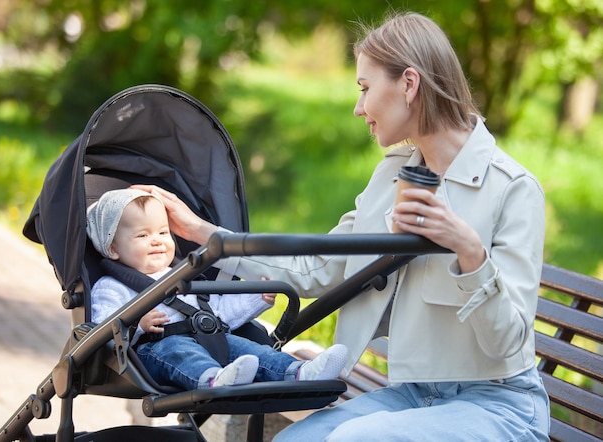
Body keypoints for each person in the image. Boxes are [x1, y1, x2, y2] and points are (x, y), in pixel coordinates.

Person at [133, 11, 550, 441]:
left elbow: (509, 345)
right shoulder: (393, 177)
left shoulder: (512, 190)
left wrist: (469, 252)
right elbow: (319, 267)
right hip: (413, 395)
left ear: (409, 85)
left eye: (365, 89)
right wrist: (204, 232)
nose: (358, 108)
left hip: (497, 404)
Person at [87, 188, 348, 391]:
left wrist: (257, 297)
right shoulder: (112, 287)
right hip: (151, 353)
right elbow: (102, 331)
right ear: (112, 248)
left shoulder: (181, 277)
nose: (156, 241)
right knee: (179, 349)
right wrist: (137, 323)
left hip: (207, 337)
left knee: (244, 347)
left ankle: (300, 371)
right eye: (142, 236)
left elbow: (217, 312)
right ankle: (213, 380)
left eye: (163, 232)